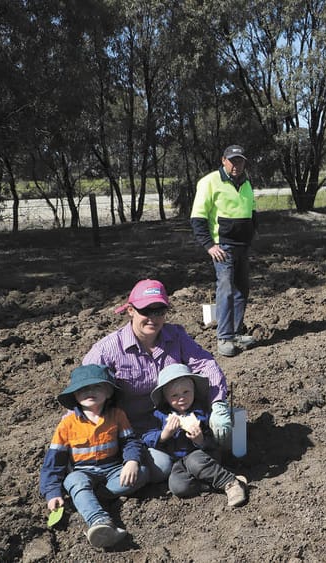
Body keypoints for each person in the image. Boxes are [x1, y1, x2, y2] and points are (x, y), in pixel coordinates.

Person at [82, 279, 232, 483]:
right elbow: (84, 390)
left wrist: (218, 405)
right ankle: (189, 465)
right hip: (139, 429)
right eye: (146, 311)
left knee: (227, 432)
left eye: (159, 311)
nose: (153, 318)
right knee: (162, 467)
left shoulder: (176, 336)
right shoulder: (107, 350)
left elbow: (205, 364)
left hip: (181, 415)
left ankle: (198, 463)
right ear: (130, 311)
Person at [39, 365, 148, 548]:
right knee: (73, 480)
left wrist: (131, 461)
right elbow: (54, 462)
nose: (90, 392)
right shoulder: (67, 424)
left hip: (113, 469)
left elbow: (131, 441)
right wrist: (52, 493)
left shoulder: (117, 415)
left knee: (142, 473)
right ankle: (99, 521)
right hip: (83, 472)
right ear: (75, 395)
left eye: (97, 387)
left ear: (108, 392)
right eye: (83, 389)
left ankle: (88, 496)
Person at [143, 364, 248, 507]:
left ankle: (230, 484)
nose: (182, 398)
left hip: (204, 455)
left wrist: (201, 440)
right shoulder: (159, 415)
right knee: (177, 486)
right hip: (179, 461)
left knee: (195, 461)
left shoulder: (201, 411)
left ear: (194, 391)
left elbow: (214, 440)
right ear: (166, 398)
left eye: (186, 392)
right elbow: (146, 436)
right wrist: (164, 434)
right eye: (174, 395)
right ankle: (219, 481)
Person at [191, 144, 257, 357]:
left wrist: (250, 236)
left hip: (242, 246)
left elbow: (251, 212)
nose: (236, 165)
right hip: (223, 246)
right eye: (232, 160)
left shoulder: (246, 183)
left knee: (241, 290)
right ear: (223, 160)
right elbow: (198, 217)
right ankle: (224, 337)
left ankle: (236, 332)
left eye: (240, 161)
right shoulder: (210, 182)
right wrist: (209, 245)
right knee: (226, 290)